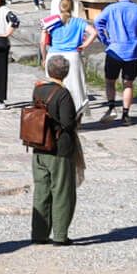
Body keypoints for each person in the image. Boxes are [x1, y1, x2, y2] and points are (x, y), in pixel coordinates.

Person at [29, 55, 82, 245]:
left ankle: (39, 233)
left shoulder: (38, 89)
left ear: (48, 70)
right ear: (66, 73)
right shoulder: (63, 94)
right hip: (58, 149)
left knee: (41, 191)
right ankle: (60, 235)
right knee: (61, 192)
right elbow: (68, 122)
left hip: (38, 146)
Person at [40, 0, 100, 113]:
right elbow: (93, 32)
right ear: (72, 8)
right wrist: (84, 45)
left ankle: (54, 113)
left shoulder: (51, 21)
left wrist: (44, 57)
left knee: (54, 87)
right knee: (76, 87)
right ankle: (76, 113)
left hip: (54, 55)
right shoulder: (78, 22)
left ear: (59, 7)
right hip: (72, 55)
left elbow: (42, 42)